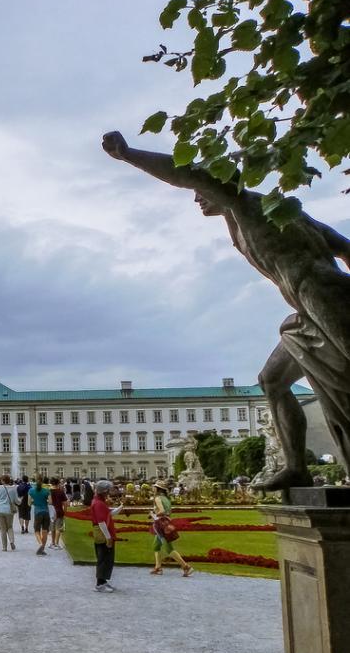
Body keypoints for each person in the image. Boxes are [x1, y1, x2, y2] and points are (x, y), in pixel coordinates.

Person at [104, 130, 350, 490]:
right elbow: (344, 246)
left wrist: (129, 154)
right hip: (309, 308)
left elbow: (186, 173)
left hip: (322, 295)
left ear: (223, 184)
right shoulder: (273, 210)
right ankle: (296, 467)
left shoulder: (245, 205)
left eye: (202, 190)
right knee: (272, 381)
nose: (197, 198)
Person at [150, 481, 193, 577]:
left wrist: (153, 514)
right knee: (156, 546)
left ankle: (186, 566)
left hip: (160, 524)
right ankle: (158, 567)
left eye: (155, 487)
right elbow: (168, 512)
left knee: (168, 548)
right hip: (166, 522)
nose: (153, 488)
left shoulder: (157, 498)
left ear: (158, 489)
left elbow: (162, 511)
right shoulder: (166, 499)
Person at [91, 479, 121, 592]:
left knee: (106, 558)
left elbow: (108, 513)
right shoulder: (98, 503)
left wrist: (121, 507)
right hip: (103, 533)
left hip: (104, 532)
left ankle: (103, 581)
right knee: (104, 558)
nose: (109, 492)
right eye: (108, 490)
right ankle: (100, 584)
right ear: (104, 491)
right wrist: (108, 537)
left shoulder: (99, 501)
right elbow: (101, 522)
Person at [0, 475, 20, 551]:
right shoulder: (13, 488)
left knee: (3, 529)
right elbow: (17, 501)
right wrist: (21, 500)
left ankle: (4, 547)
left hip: (0, 510)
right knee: (10, 527)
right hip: (9, 511)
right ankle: (12, 541)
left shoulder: (0, 488)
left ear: (3, 481)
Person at [27, 476, 52, 555]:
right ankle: (42, 549)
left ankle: (40, 544)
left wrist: (35, 502)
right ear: (42, 482)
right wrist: (44, 501)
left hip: (38, 512)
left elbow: (29, 503)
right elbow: (50, 502)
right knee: (45, 531)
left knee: (37, 530)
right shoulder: (46, 491)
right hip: (46, 512)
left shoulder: (31, 490)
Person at [49, 476, 68, 550]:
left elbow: (49, 502)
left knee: (52, 528)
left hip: (51, 511)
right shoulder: (60, 492)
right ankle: (56, 544)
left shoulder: (49, 491)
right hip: (59, 510)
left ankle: (52, 543)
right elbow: (65, 503)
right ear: (58, 483)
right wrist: (65, 511)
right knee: (58, 528)